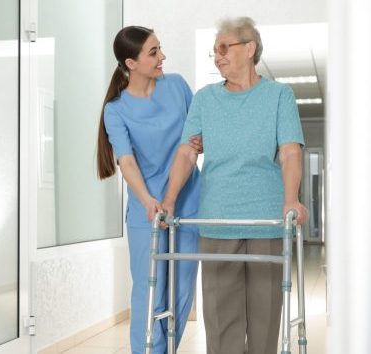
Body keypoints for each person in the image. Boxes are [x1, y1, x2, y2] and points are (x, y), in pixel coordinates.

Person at [161, 17, 307, 354]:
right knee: (220, 319)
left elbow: (289, 152)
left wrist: (291, 199)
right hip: (217, 221)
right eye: (214, 51)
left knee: (264, 319)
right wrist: (169, 199)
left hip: (267, 223)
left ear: (250, 48)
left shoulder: (279, 95)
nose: (218, 56)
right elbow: (186, 152)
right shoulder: (205, 99)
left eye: (225, 48)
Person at [96, 26, 201, 354]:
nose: (162, 57)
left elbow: (199, 132)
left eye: (160, 49)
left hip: (189, 200)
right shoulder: (116, 109)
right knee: (149, 289)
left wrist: (200, 140)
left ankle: (166, 349)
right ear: (131, 62)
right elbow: (126, 161)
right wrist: (147, 200)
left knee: (182, 290)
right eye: (153, 52)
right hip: (147, 208)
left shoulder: (178, 87)